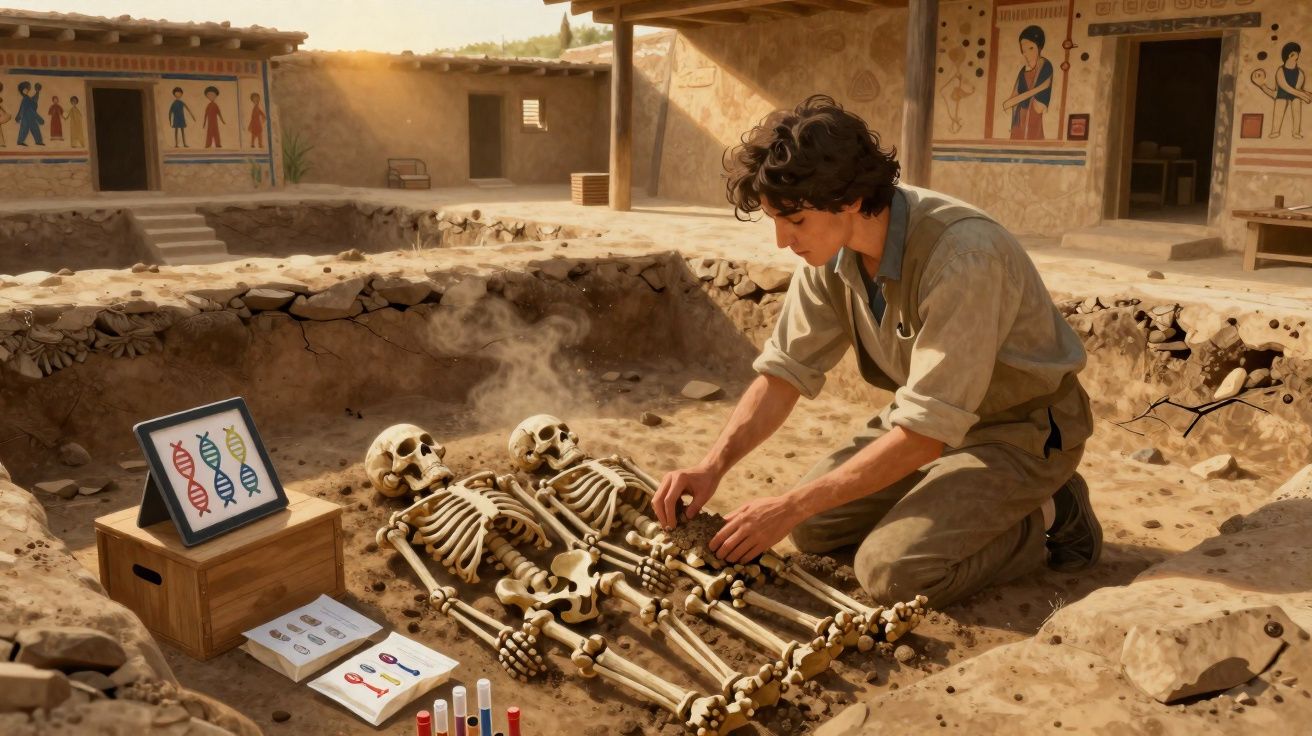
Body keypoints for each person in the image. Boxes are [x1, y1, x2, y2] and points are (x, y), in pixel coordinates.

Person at [651, 95, 1099, 608]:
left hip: (1022, 430)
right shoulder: (830, 253)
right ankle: (952, 497)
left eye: (794, 221)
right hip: (930, 422)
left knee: (891, 572)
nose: (781, 241)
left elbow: (924, 435)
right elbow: (783, 375)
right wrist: (713, 466)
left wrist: (787, 505)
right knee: (814, 529)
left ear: (845, 199)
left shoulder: (964, 256)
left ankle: (1051, 512)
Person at [1001, 25, 1054, 140]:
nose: (1026, 54)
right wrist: (1039, 88)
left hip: (1033, 129)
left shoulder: (1046, 66)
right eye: (1023, 50)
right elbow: (1008, 103)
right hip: (1018, 126)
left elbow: (1039, 107)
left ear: (1039, 48)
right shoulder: (1023, 71)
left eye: (1031, 48)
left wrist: (1019, 99)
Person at [1271, 42, 1310, 139]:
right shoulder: (1280, 70)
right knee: (1280, 102)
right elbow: (1284, 86)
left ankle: (1296, 132)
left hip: (1295, 93)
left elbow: (1297, 88)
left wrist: (1302, 94)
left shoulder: (1300, 72)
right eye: (1295, 54)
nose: (1296, 57)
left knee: (1296, 103)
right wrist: (1303, 96)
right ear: (1289, 55)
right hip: (1283, 92)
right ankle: (1275, 130)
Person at [15, 81, 44, 147]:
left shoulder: (27, 98)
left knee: (35, 128)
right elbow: (22, 109)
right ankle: (20, 141)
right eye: (26, 89)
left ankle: (38, 141)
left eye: (27, 88)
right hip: (27, 116)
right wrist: (18, 117)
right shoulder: (26, 99)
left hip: (31, 116)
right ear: (23, 90)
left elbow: (34, 100)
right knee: (24, 129)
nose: (27, 90)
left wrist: (37, 91)